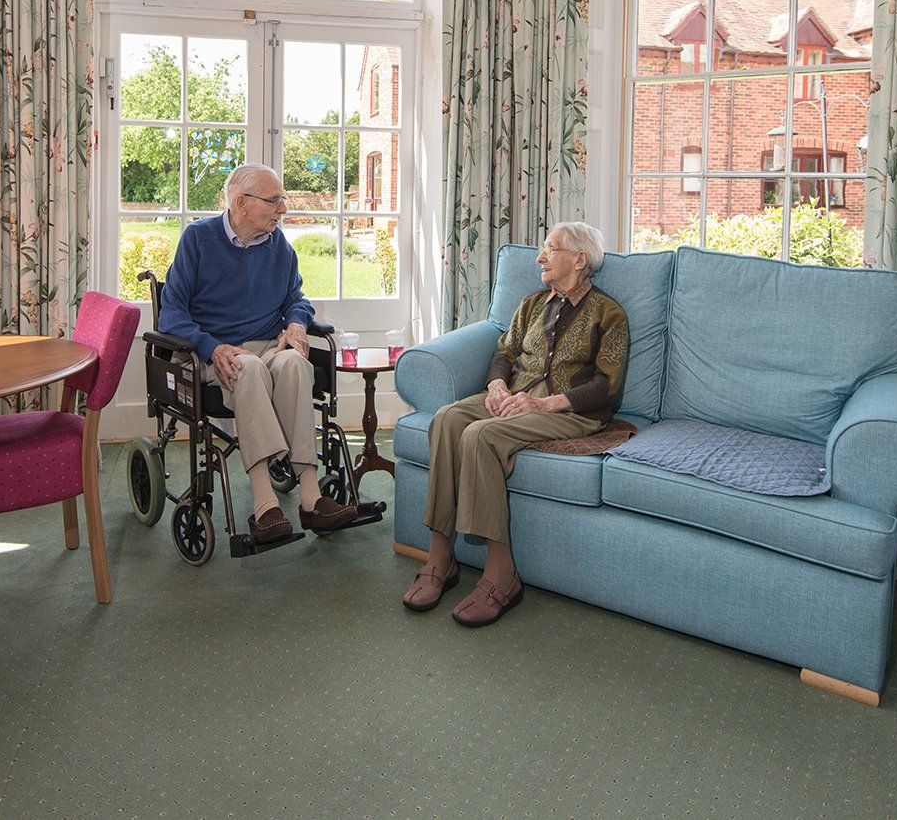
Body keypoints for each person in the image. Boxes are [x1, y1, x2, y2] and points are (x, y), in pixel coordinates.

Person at [404, 223, 628, 626]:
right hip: (515, 397)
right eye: (542, 249)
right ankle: (440, 555)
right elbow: (503, 352)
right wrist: (495, 385)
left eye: (550, 249)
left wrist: (543, 405)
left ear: (580, 259)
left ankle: (501, 574)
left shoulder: (608, 314)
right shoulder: (531, 304)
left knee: (481, 434)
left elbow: (606, 386)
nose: (540, 257)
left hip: (570, 414)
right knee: (448, 418)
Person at [157, 163, 359, 543]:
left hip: (268, 345)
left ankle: (311, 497)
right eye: (275, 200)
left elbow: (297, 298)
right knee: (245, 367)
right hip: (213, 353)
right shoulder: (198, 239)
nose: (283, 208)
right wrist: (211, 346)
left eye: (282, 199)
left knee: (296, 363)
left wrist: (297, 324)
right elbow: (172, 312)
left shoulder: (278, 246)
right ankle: (265, 505)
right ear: (241, 203)